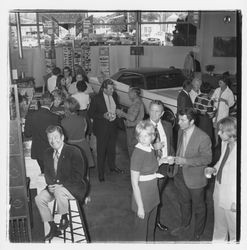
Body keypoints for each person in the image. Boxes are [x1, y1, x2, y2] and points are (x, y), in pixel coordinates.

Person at [35, 125, 87, 241]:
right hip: (54, 187)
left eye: (55, 137)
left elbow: (78, 175)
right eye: (50, 138)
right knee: (39, 199)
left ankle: (64, 217)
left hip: (73, 187)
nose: (53, 141)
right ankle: (53, 227)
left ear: (62, 137)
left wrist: (60, 185)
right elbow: (47, 172)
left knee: (59, 191)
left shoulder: (74, 151)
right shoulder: (47, 153)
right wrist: (50, 185)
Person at [171, 107, 212, 241]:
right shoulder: (180, 131)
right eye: (179, 119)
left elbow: (207, 159)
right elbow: (180, 149)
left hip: (195, 178)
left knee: (199, 207)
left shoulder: (203, 137)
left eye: (182, 120)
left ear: (192, 121)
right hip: (180, 174)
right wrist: (175, 159)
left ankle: (198, 233)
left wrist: (186, 161)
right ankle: (184, 225)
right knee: (184, 202)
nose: (179, 122)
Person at [205, 117, 237, 241]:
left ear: (231, 132)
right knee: (219, 228)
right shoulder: (225, 143)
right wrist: (213, 169)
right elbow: (221, 162)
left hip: (233, 198)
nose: (218, 133)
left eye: (221, 131)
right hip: (219, 189)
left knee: (235, 233)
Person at [88, 79, 124, 182]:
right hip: (102, 128)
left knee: (112, 149)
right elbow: (90, 114)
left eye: (113, 88)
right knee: (101, 151)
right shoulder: (96, 99)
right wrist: (103, 115)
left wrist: (118, 112)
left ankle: (112, 167)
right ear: (104, 89)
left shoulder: (115, 96)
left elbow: (117, 107)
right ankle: (101, 173)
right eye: (110, 89)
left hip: (113, 127)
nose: (112, 90)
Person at [130, 120, 161, 241]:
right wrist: (140, 207)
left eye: (146, 135)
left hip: (153, 194)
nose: (143, 139)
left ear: (152, 136)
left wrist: (162, 161)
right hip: (142, 197)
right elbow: (134, 183)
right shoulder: (138, 153)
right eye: (140, 136)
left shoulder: (150, 149)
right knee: (141, 234)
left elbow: (150, 167)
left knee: (151, 228)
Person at [148, 100, 175, 232]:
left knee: (157, 195)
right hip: (149, 168)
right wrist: (153, 147)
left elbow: (171, 145)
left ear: (162, 113)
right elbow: (135, 149)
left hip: (164, 166)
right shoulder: (142, 126)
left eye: (157, 111)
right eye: (152, 110)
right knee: (152, 196)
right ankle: (151, 221)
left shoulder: (168, 125)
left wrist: (172, 159)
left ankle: (154, 220)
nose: (154, 114)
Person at [24, 92, 60, 174]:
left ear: (40, 102)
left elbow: (27, 134)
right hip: (51, 150)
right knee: (53, 173)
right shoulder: (55, 117)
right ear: (52, 103)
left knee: (43, 172)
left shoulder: (30, 115)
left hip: (38, 150)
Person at [61, 97, 94, 168]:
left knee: (73, 169)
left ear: (67, 109)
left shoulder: (63, 121)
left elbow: (64, 136)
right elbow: (85, 131)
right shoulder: (83, 119)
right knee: (84, 167)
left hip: (70, 146)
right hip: (83, 145)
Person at [116, 87, 145, 157]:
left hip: (133, 129)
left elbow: (132, 118)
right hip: (134, 128)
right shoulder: (137, 102)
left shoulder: (137, 104)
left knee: (132, 148)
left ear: (135, 94)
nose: (128, 93)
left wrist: (122, 113)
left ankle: (133, 165)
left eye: (130, 92)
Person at [211, 75, 235, 145]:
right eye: (219, 82)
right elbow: (212, 98)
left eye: (221, 83)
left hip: (223, 113)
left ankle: (223, 142)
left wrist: (224, 100)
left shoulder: (229, 92)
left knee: (221, 128)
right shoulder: (217, 90)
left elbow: (231, 103)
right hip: (216, 111)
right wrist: (214, 100)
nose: (219, 84)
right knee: (215, 128)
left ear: (225, 83)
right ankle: (216, 142)